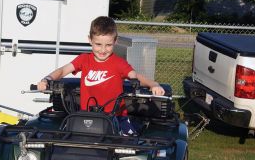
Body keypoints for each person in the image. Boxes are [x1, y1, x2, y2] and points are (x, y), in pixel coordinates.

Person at [37, 16, 165, 135]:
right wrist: (46, 80)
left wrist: (153, 84)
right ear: (90, 40)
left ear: (116, 41)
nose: (103, 50)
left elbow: (134, 76)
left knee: (130, 145)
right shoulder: (83, 59)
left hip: (116, 117)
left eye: (108, 45)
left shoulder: (119, 63)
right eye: (98, 44)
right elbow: (63, 70)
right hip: (87, 117)